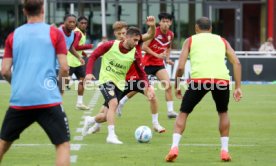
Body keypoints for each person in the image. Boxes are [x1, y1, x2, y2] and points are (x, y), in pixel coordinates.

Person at [0, 0, 70, 165]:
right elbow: (65, 68)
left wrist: (17, 85)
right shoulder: (55, 33)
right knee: (62, 146)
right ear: (43, 9)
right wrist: (60, 89)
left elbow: (4, 71)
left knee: (3, 144)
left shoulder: (13, 36)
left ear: (24, 11)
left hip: (20, 100)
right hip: (48, 99)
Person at [165, 17, 242, 162]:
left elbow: (180, 67)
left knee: (183, 113)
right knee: (223, 112)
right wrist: (238, 87)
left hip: (199, 80)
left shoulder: (190, 40)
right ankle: (224, 151)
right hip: (221, 79)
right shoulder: (222, 40)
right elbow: (237, 62)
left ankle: (174, 147)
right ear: (211, 29)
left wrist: (177, 85)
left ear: (196, 28)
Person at [85, 17, 165, 135]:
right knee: (106, 111)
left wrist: (152, 26)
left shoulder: (135, 39)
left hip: (137, 78)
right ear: (115, 34)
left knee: (152, 96)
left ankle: (155, 123)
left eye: (123, 33)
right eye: (119, 34)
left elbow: (150, 34)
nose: (121, 35)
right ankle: (96, 123)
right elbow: (94, 56)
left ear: (127, 33)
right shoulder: (114, 46)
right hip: (121, 81)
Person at [119, 13, 177, 119]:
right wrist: (157, 55)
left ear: (171, 22)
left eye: (167, 21)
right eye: (163, 21)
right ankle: (121, 102)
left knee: (168, 85)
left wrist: (167, 59)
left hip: (159, 65)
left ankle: (170, 111)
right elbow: (144, 47)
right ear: (160, 22)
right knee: (138, 87)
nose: (165, 23)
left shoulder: (170, 34)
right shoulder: (154, 32)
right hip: (147, 64)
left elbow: (168, 47)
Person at [67, 16, 93, 110]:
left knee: (82, 80)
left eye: (85, 23)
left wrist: (84, 54)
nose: (83, 24)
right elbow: (74, 47)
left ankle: (79, 103)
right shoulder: (77, 33)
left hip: (77, 61)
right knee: (63, 82)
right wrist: (88, 46)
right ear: (78, 23)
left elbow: (78, 48)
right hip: (70, 60)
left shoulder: (81, 33)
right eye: (81, 23)